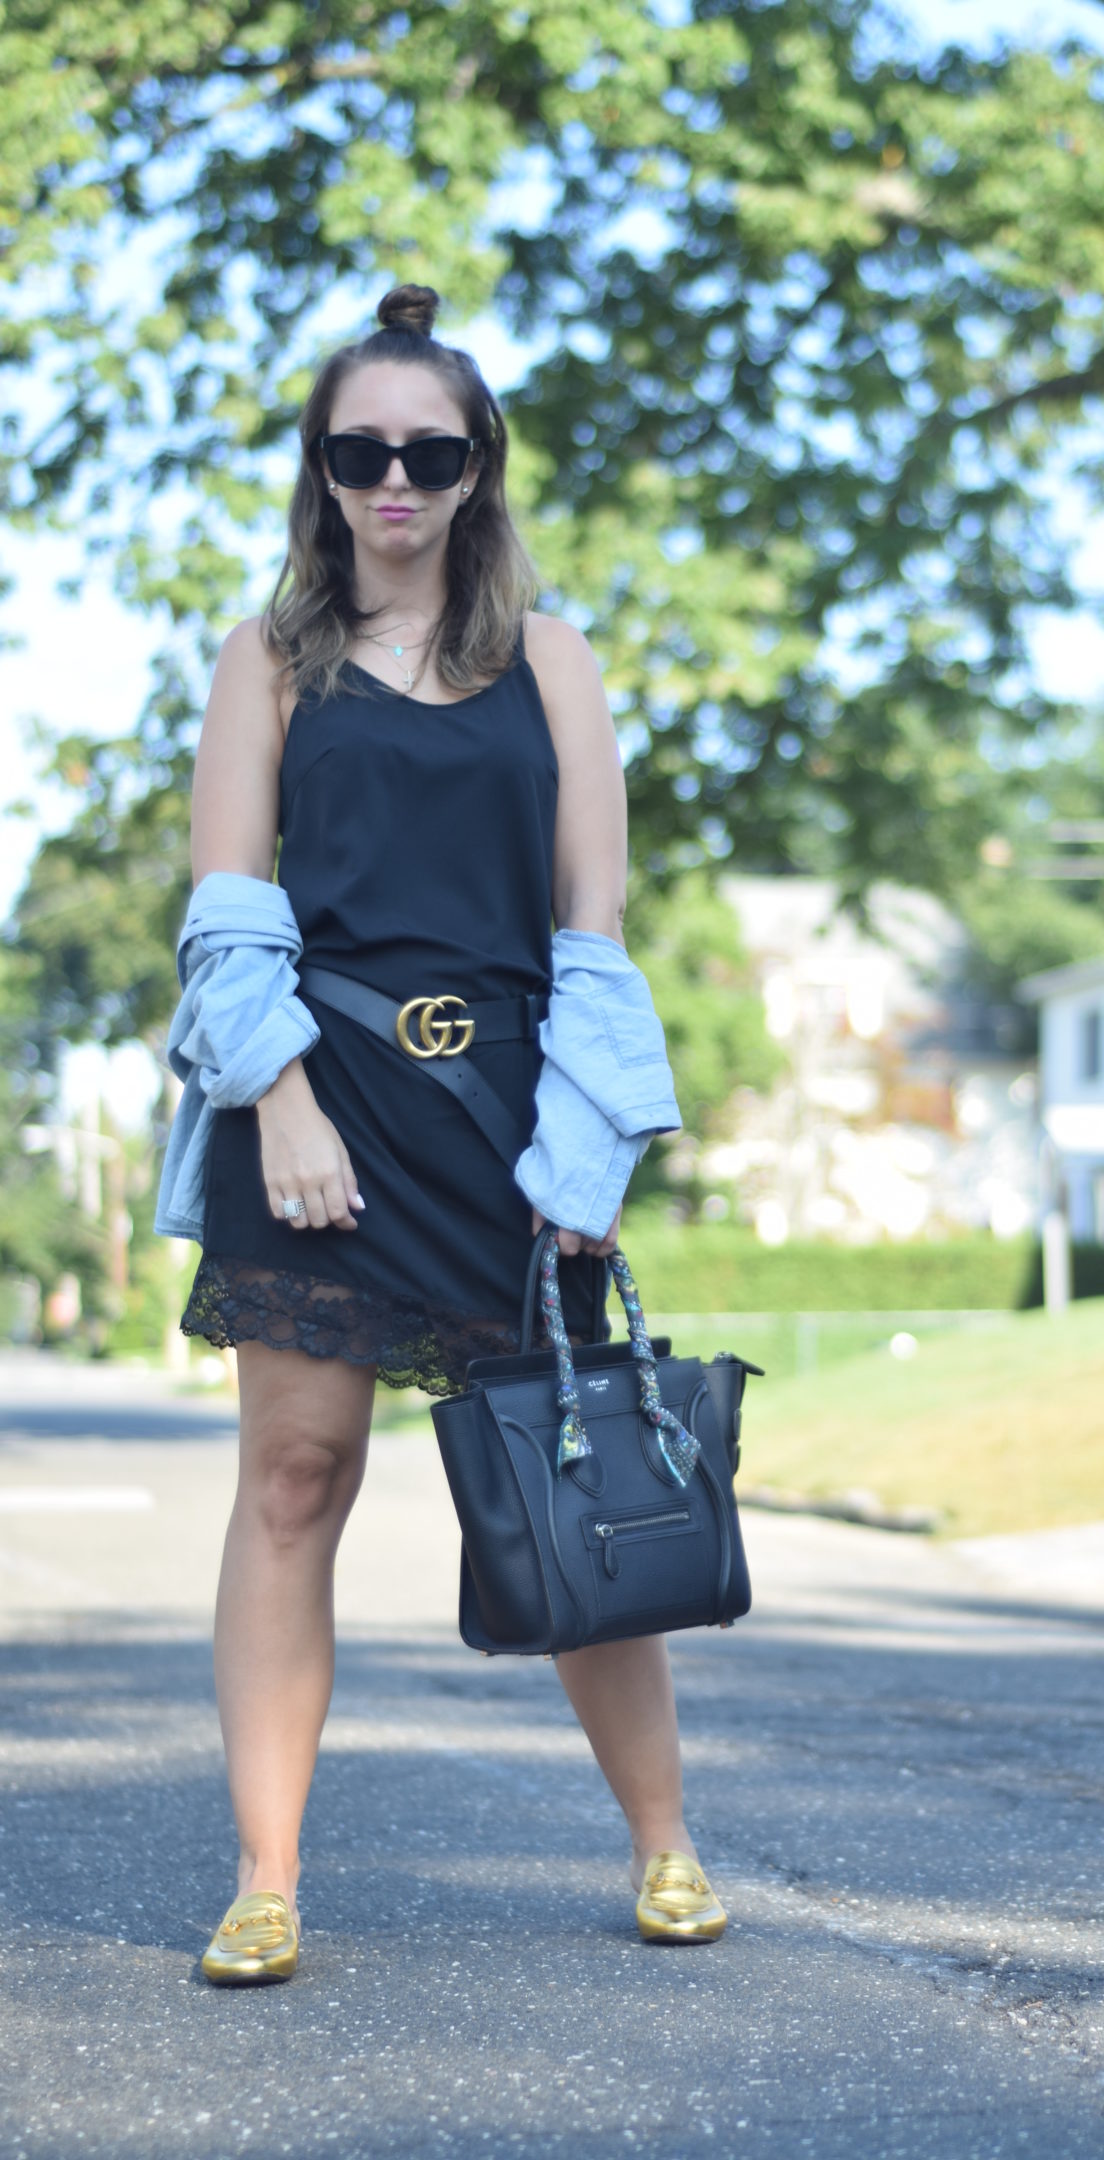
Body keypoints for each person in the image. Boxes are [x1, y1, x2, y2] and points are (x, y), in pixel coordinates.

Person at [166, 283, 727, 1983]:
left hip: (506, 1132)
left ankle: (667, 1847)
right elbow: (227, 920)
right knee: (293, 1483)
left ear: (478, 470)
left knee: (576, 1481)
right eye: (361, 451)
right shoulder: (266, 664)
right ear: (322, 473)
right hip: (317, 1123)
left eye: (429, 451)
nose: (394, 481)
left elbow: (594, 942)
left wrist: (582, 1161)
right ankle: (267, 1878)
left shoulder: (548, 656)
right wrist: (278, 1103)